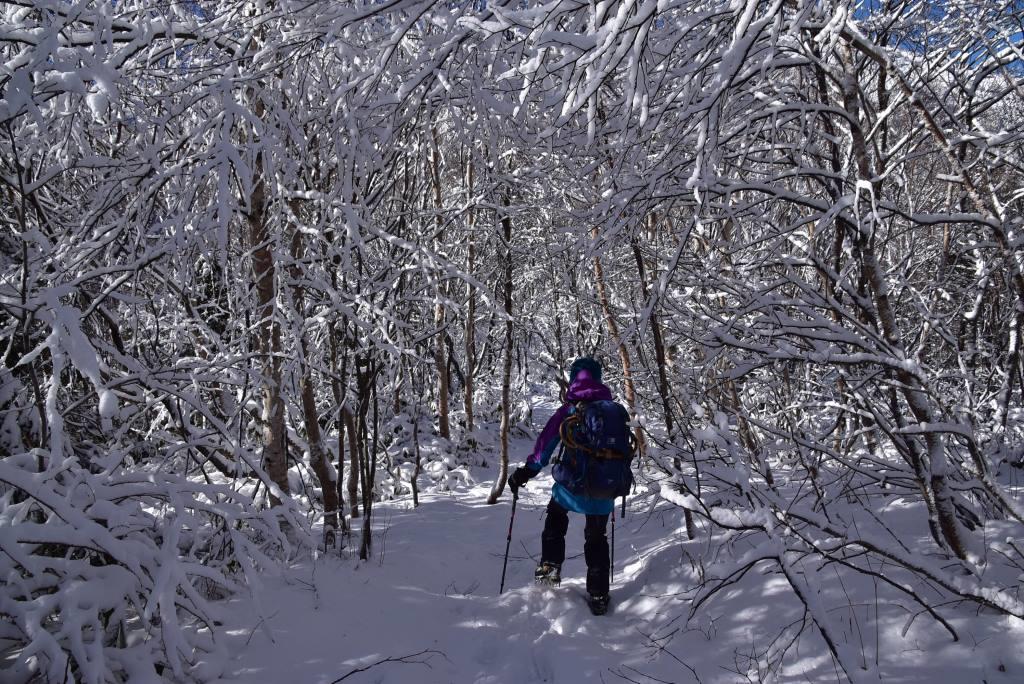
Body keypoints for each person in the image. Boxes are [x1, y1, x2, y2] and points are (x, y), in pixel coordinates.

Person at [508, 357, 616, 615]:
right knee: (597, 537)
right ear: (598, 378)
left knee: (555, 518)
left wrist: (526, 473)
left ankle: (548, 574)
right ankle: (599, 595)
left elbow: (544, 447)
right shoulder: (612, 410)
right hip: (605, 489)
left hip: (572, 487)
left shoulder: (569, 410)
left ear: (573, 378)